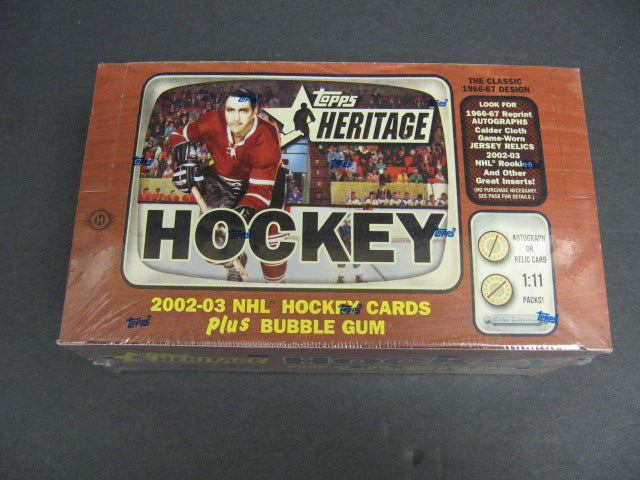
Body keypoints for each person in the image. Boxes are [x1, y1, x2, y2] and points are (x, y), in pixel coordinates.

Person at [168, 87, 288, 283]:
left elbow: (259, 191)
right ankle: (233, 263)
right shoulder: (211, 121)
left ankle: (275, 285)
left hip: (268, 183)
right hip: (222, 180)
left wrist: (239, 218)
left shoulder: (266, 137)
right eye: (230, 110)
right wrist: (186, 160)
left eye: (243, 111)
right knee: (213, 242)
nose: (235, 118)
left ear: (255, 111)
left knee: (271, 242)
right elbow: (179, 134)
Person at [336, 216, 365, 283]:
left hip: (352, 248)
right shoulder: (342, 228)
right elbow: (341, 237)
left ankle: (358, 277)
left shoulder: (354, 228)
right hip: (345, 247)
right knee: (341, 263)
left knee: (356, 262)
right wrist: (349, 237)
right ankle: (340, 278)